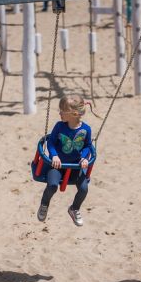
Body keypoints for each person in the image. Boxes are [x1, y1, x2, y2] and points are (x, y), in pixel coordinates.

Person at [37, 94, 93, 226]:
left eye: (62, 110)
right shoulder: (59, 126)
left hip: (76, 165)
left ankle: (74, 208)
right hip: (58, 165)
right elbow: (50, 143)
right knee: (52, 185)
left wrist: (85, 158)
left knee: (84, 188)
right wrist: (54, 155)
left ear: (74, 114)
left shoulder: (86, 129)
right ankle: (44, 204)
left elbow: (88, 146)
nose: (60, 112)